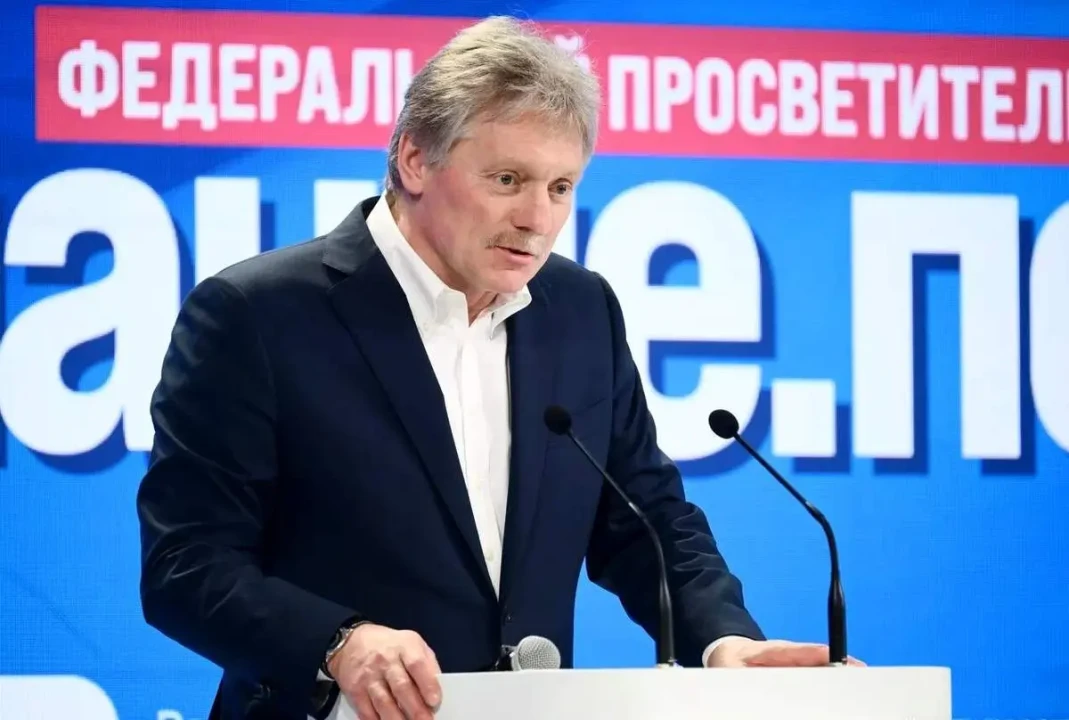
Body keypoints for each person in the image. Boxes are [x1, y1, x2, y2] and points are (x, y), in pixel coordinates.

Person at [136, 15, 858, 720]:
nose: (537, 219)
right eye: (508, 179)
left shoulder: (581, 311)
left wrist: (724, 641)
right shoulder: (258, 314)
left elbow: (647, 519)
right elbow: (186, 566)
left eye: (560, 187)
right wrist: (337, 642)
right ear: (415, 160)